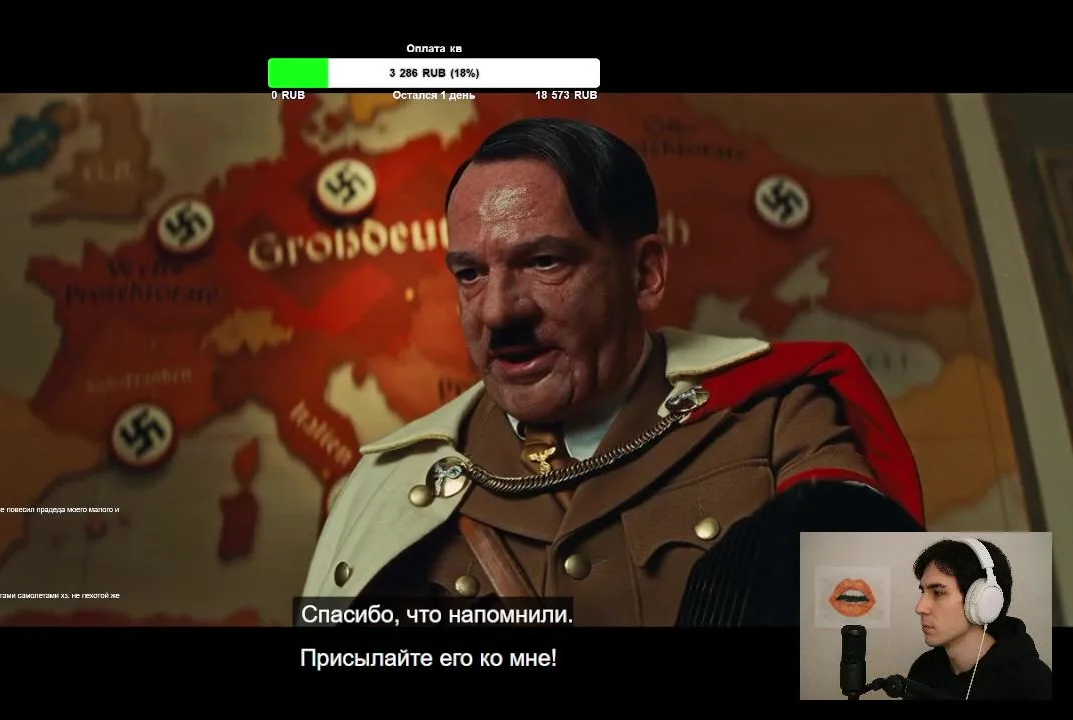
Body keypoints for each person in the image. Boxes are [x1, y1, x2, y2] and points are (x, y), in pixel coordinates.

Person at [302, 117, 926, 626]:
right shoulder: (386, 486)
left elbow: (873, 641)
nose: (497, 311)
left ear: (645, 273)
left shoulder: (778, 416)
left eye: (545, 262)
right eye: (470, 274)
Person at [908, 538, 1053, 700]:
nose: (920, 608)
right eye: (923, 592)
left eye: (938, 593)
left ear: (983, 601)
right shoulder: (923, 670)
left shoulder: (1033, 683)